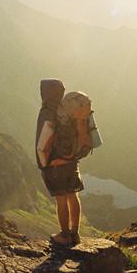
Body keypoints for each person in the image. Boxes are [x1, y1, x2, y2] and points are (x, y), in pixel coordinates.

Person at [35, 79, 91, 246]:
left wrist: (44, 164)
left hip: (55, 165)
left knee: (61, 199)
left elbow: (42, 144)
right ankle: (75, 233)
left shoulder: (48, 112)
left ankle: (64, 235)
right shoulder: (68, 110)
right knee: (73, 195)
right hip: (72, 162)